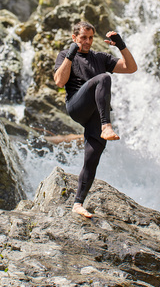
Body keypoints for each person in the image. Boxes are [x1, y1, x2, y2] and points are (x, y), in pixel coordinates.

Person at [54, 21, 137, 218]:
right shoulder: (66, 55)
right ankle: (106, 125)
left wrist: (121, 45)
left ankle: (78, 203)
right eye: (83, 37)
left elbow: (131, 68)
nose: (88, 42)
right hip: (76, 105)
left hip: (94, 114)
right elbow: (59, 82)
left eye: (90, 38)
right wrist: (71, 53)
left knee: (92, 157)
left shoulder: (100, 58)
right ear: (74, 38)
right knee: (104, 78)